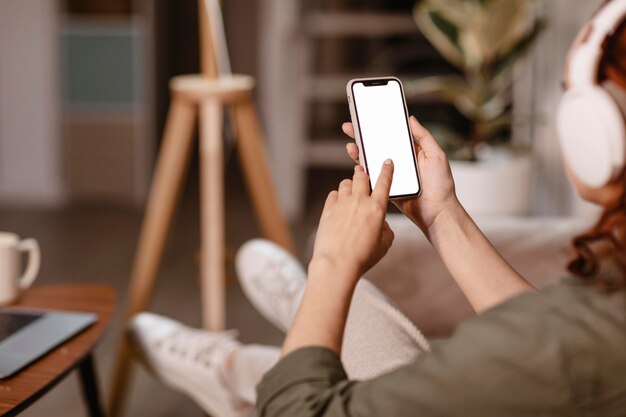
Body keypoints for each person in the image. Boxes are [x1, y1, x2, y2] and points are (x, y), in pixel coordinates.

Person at [128, 2, 626, 416]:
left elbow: (298, 412)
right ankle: (292, 327)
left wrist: (332, 266)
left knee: (352, 311)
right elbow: (539, 334)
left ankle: (238, 365)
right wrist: (441, 212)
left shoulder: (580, 342)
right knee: (355, 313)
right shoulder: (586, 326)